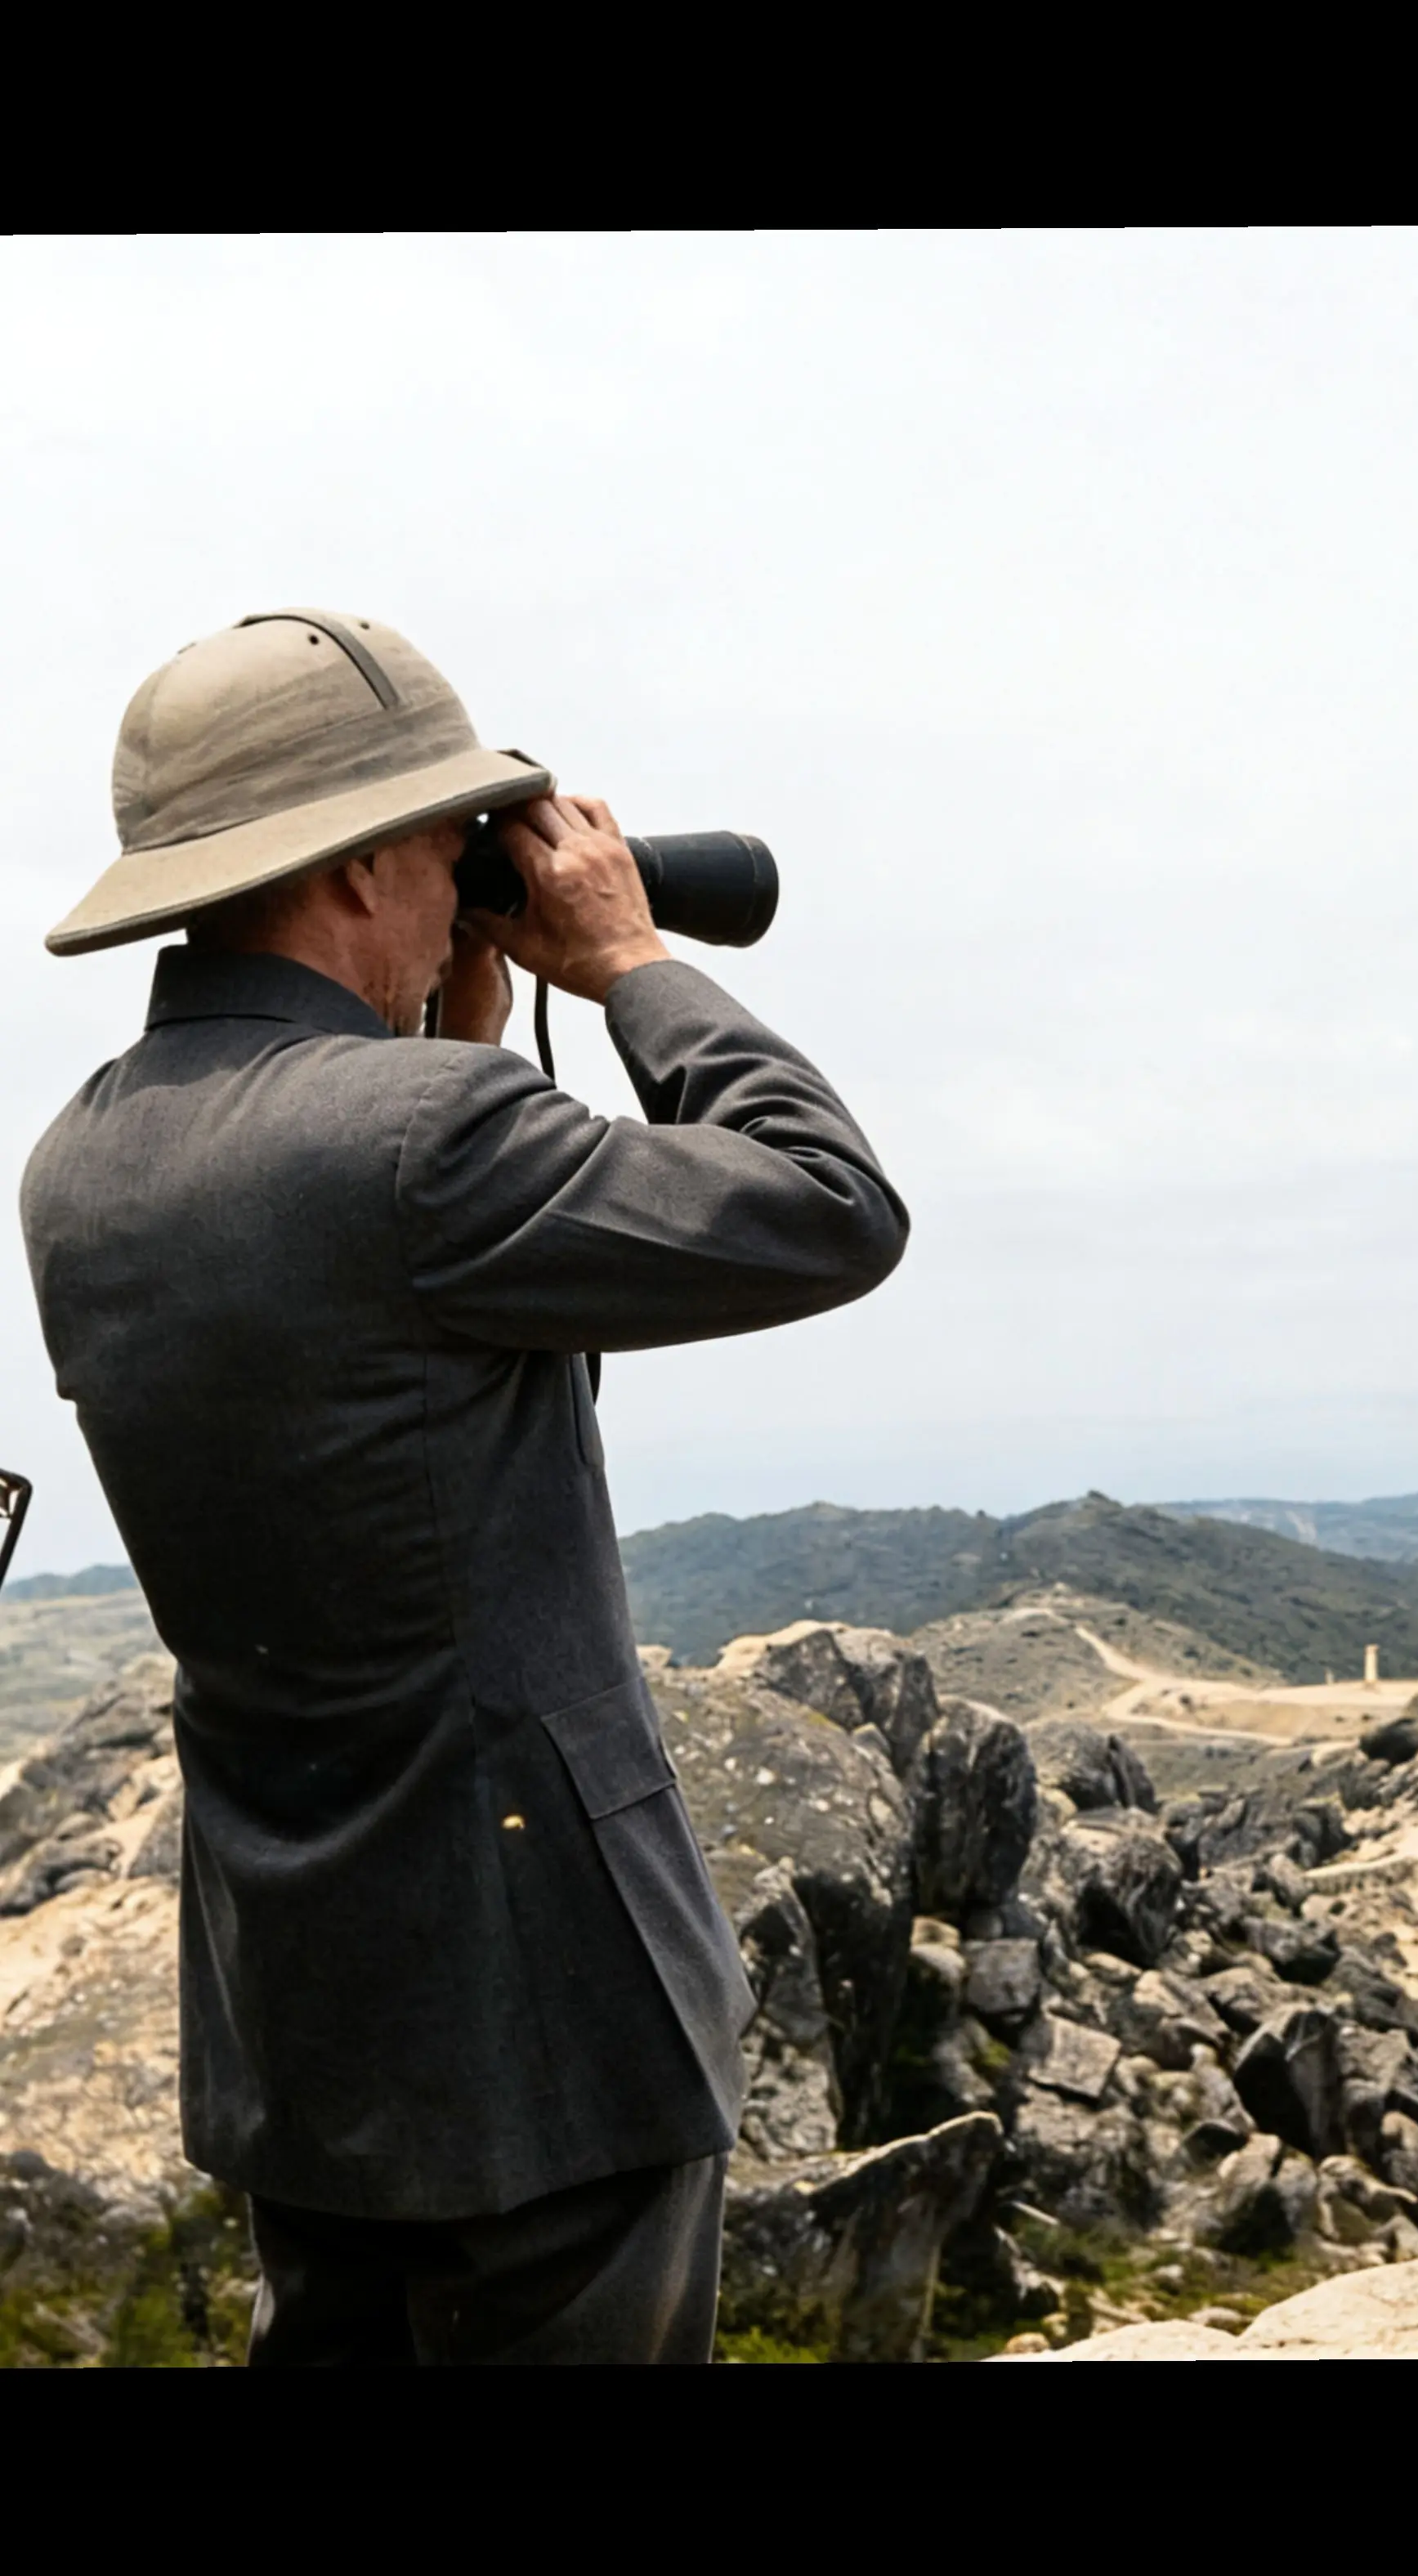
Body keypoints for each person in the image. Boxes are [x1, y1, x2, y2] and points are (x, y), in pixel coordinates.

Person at [20, 607, 907, 2364]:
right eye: (451, 845)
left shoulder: (83, 1160)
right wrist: (631, 959)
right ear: (353, 870)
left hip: (305, 2011)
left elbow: (391, 1345)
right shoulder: (418, 1141)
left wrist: (464, 1046)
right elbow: (829, 1205)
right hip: (551, 2026)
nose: (474, 881)